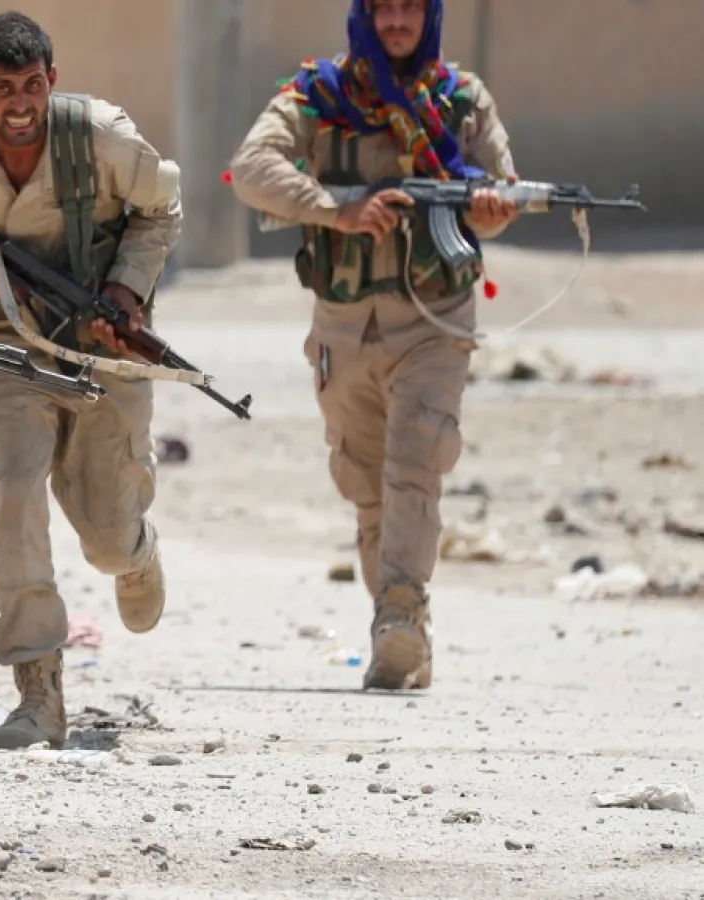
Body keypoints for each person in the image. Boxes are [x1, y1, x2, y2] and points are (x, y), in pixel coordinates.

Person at [0, 11, 183, 751]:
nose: (18, 104)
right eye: (1, 89)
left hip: (98, 350)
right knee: (15, 493)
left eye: (31, 86)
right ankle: (38, 689)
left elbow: (160, 210)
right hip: (5, 344)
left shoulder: (104, 139)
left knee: (107, 538)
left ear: (52, 80)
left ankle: (138, 554)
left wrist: (124, 293)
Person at [229, 0, 520, 690]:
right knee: (366, 488)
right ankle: (400, 629)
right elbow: (250, 169)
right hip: (345, 323)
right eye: (383, 7)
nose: (396, 21)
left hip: (435, 321)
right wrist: (339, 209)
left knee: (416, 459)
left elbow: (504, 191)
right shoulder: (318, 96)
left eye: (409, 9)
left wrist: (490, 209)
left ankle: (400, 616)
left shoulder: (461, 100)